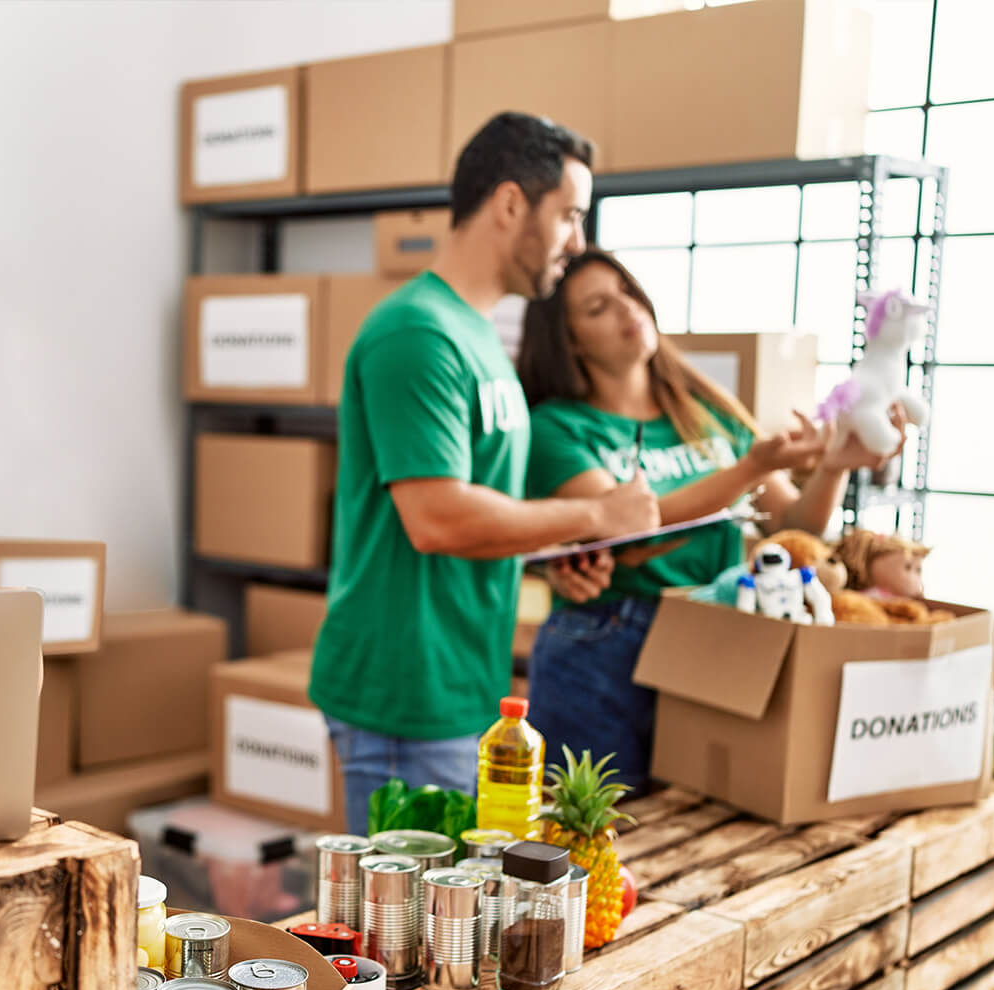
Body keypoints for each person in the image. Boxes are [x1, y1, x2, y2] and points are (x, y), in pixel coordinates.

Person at [308, 114, 661, 836]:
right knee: (415, 941)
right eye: (568, 215)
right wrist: (595, 517)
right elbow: (437, 518)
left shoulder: (480, 338)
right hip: (407, 696)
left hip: (465, 684)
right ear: (509, 205)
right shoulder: (418, 334)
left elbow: (485, 509)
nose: (578, 242)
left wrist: (550, 555)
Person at [517, 247, 907, 794]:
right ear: (569, 339)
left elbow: (791, 523)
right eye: (599, 307)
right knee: (599, 834)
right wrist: (750, 467)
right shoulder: (559, 428)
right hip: (601, 647)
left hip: (711, 633)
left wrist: (833, 468)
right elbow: (628, 533)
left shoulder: (703, 411)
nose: (627, 309)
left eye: (628, 291)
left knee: (696, 818)